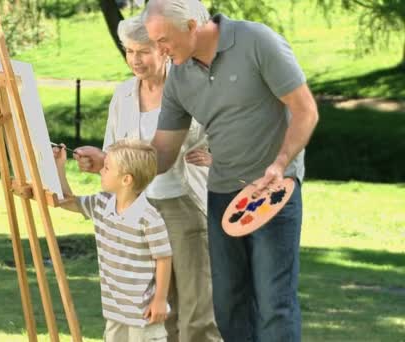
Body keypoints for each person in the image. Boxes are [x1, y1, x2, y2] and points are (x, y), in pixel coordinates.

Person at [137, 0, 319, 341]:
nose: (158, 50)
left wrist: (281, 165)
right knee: (228, 304)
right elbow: (163, 151)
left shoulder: (257, 41)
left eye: (163, 40)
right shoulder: (180, 75)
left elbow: (305, 110)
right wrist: (112, 163)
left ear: (191, 26)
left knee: (273, 302)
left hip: (273, 190)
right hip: (222, 193)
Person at [74, 15, 221, 342]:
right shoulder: (123, 95)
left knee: (197, 309)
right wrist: (99, 163)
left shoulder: (192, 88)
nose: (135, 60)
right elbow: (114, 155)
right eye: (129, 51)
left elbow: (231, 130)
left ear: (164, 50)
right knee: (154, 311)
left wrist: (220, 158)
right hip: (138, 211)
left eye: (143, 51)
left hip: (184, 206)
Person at [53, 139, 172, 341]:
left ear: (126, 179)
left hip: (143, 313)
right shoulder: (101, 204)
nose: (101, 171)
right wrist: (59, 166)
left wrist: (159, 300)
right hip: (115, 309)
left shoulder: (149, 218)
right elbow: (66, 200)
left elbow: (164, 258)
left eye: (107, 168)